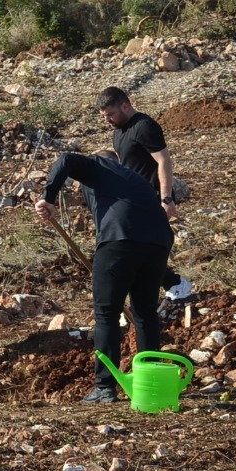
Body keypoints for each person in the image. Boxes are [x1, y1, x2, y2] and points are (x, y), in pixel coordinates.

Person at [35, 151, 174, 403]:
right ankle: (151, 386)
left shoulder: (99, 165)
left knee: (106, 313)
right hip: (158, 242)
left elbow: (66, 160)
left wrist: (48, 198)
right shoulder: (133, 179)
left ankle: (104, 386)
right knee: (144, 313)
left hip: (120, 239)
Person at [95, 86, 193, 302]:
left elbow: (163, 161)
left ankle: (176, 284)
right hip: (134, 201)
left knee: (141, 251)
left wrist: (166, 198)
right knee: (135, 251)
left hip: (152, 199)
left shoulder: (144, 126)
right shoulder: (119, 133)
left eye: (110, 114)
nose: (107, 120)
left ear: (125, 106)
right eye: (104, 116)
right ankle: (168, 285)